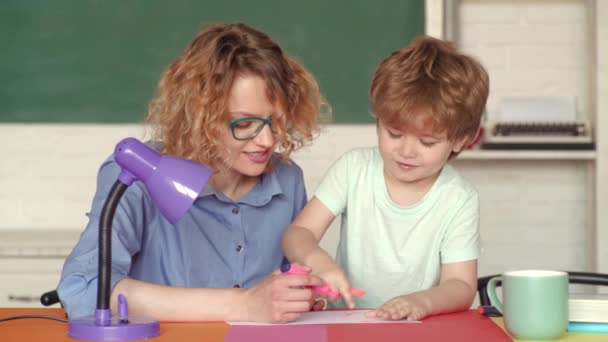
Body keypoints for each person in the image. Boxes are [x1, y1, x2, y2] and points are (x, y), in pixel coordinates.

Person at [58, 22, 330, 323]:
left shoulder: (286, 181)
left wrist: (299, 294)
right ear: (201, 117)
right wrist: (242, 304)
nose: (266, 141)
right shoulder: (138, 174)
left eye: (275, 121)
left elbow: (283, 286)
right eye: (243, 125)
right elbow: (83, 290)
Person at [282, 35, 490, 321]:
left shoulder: (458, 198)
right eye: (394, 133)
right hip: (348, 323)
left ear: (461, 140)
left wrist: (420, 302)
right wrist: (317, 260)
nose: (406, 151)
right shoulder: (353, 169)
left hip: (414, 328)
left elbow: (461, 285)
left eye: (427, 142)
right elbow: (298, 234)